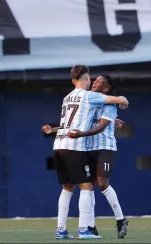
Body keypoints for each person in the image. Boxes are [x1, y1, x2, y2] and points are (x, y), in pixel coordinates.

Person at [47, 65, 129, 240]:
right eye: (93, 78)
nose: (94, 82)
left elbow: (93, 123)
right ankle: (85, 228)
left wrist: (53, 130)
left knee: (86, 185)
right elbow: (121, 100)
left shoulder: (67, 97)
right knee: (86, 186)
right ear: (85, 79)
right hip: (78, 146)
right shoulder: (90, 97)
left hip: (86, 145)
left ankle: (118, 220)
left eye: (99, 81)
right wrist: (122, 100)